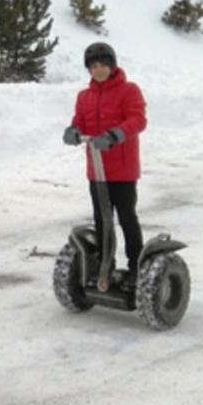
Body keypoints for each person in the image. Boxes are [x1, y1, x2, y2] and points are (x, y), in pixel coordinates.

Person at [62, 41, 147, 291]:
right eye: (94, 66)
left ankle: (135, 267)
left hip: (122, 169)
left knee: (126, 217)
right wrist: (74, 130)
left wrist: (115, 135)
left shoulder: (129, 90)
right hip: (97, 171)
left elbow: (137, 120)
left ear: (112, 66)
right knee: (102, 219)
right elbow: (80, 120)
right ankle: (105, 265)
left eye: (103, 65)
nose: (98, 70)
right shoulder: (84, 96)